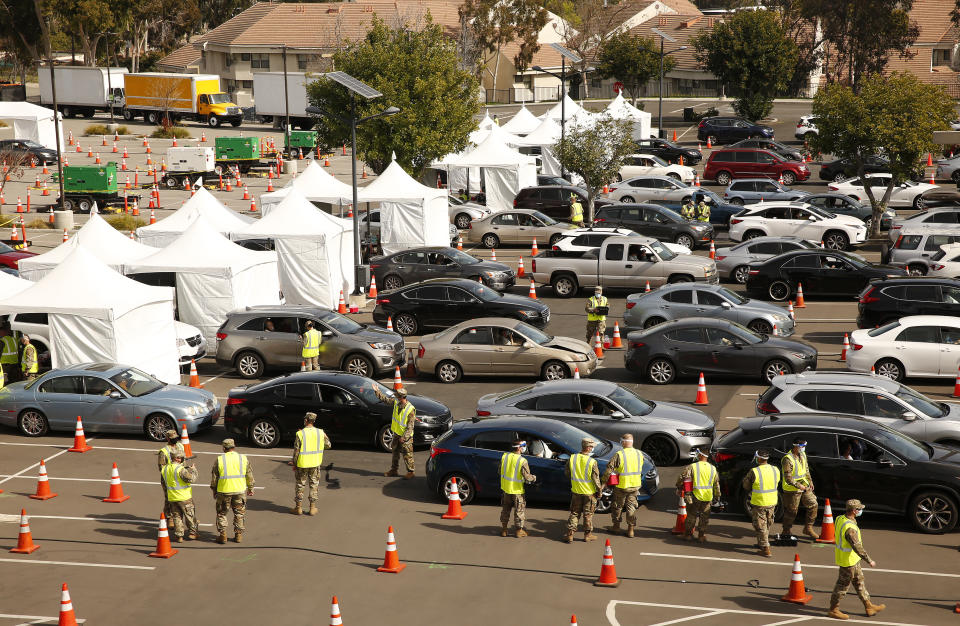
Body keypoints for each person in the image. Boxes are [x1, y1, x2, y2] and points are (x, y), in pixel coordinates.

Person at [829, 499, 885, 620]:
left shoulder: (840, 518)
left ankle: (869, 606)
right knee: (842, 587)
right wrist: (869, 560)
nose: (861, 511)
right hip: (848, 562)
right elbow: (857, 547)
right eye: (859, 509)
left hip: (853, 560)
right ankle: (833, 609)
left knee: (860, 582)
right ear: (854, 511)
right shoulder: (850, 529)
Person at [210, 439, 255, 544]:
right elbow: (249, 475)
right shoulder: (243, 458)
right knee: (239, 513)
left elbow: (214, 478)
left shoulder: (220, 459)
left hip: (224, 491)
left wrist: (214, 490)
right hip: (239, 491)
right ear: (234, 447)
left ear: (224, 448)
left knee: (222, 513)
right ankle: (238, 535)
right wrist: (251, 488)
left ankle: (223, 536)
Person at [601, 433, 644, 538]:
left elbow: (609, 470)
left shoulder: (620, 454)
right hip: (634, 486)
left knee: (617, 506)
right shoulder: (639, 454)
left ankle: (616, 527)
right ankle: (631, 530)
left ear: (624, 442)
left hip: (622, 486)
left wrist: (603, 483)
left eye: (621, 441)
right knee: (631, 508)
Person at [291, 412, 332, 516]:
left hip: (302, 464)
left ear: (305, 420)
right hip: (315, 463)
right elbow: (328, 445)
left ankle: (298, 508)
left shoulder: (300, 433)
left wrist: (294, 464)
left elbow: (296, 452)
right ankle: (312, 508)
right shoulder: (320, 432)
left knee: (300, 485)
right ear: (314, 421)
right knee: (314, 485)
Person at [373, 384, 417, 479]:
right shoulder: (396, 402)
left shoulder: (410, 410)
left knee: (407, 454)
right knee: (395, 453)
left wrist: (404, 437)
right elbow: (385, 400)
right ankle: (394, 470)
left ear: (401, 397)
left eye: (397, 396)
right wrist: (377, 391)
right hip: (397, 434)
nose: (395, 397)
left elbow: (410, 427)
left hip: (406, 437)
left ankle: (411, 472)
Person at [742, 448, 780, 557]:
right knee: (767, 524)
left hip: (760, 502)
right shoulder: (775, 469)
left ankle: (766, 548)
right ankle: (761, 544)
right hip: (772, 501)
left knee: (760, 526)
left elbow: (746, 486)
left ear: (758, 458)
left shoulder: (754, 471)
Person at [676, 448, 719, 542]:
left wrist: (679, 487)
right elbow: (716, 484)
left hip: (695, 496)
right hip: (708, 497)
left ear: (701, 455)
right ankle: (701, 536)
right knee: (704, 517)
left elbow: (682, 477)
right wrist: (717, 496)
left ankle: (687, 535)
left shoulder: (693, 466)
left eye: (698, 453)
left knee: (691, 515)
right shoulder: (713, 468)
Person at [563, 438, 601, 543]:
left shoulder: (572, 458)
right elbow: (596, 479)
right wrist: (599, 491)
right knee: (587, 515)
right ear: (588, 448)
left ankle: (570, 535)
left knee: (574, 513)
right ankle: (587, 535)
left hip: (576, 491)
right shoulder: (592, 461)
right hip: (589, 493)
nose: (592, 448)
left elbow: (567, 473)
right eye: (592, 447)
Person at [781, 438, 819, 540]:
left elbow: (806, 469)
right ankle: (786, 530)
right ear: (796, 446)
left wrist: (810, 481)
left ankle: (808, 528)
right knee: (792, 511)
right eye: (802, 446)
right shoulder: (787, 459)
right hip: (791, 489)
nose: (804, 448)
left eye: (804, 446)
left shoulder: (802, 455)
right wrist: (799, 486)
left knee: (813, 505)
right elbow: (788, 479)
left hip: (804, 486)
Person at [499, 440, 536, 537]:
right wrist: (534, 477)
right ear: (519, 448)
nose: (524, 447)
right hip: (517, 491)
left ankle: (504, 530)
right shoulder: (522, 461)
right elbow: (527, 477)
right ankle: (519, 531)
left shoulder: (505, 457)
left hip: (506, 489)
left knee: (505, 510)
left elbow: (499, 471)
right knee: (519, 511)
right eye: (523, 445)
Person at [161, 451, 199, 542]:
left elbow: (164, 483)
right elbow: (192, 479)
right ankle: (192, 533)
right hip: (184, 497)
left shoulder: (165, 469)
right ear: (178, 458)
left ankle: (179, 536)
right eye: (181, 458)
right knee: (190, 516)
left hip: (172, 497)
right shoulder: (180, 469)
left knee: (177, 516)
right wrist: (194, 470)